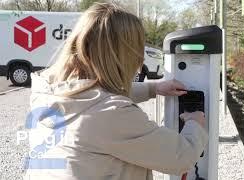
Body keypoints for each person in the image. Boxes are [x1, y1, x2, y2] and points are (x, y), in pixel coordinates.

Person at [24, 2, 208, 180]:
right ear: (124, 55)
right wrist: (195, 123)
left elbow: (92, 96)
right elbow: (180, 157)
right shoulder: (111, 114)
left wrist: (153, 88)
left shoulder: (48, 90)